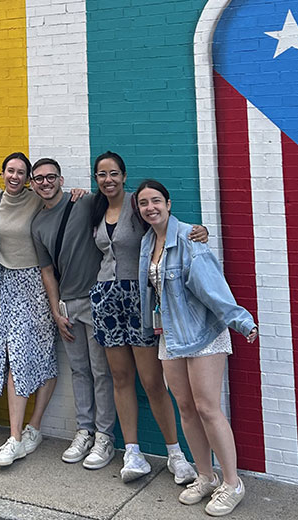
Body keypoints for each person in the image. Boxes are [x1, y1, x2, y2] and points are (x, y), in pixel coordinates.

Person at [136, 179, 257, 517]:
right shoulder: (147, 244)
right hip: (170, 336)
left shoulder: (190, 238)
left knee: (207, 408)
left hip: (203, 334)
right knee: (186, 408)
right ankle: (205, 475)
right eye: (144, 203)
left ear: (169, 203)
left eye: (156, 200)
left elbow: (212, 286)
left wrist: (241, 320)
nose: (150, 208)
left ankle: (232, 483)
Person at [88, 151, 205, 484]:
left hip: (139, 298)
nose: (107, 180)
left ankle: (176, 455)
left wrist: (199, 232)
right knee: (121, 377)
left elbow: (167, 225)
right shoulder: (95, 208)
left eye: (113, 174)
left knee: (153, 381)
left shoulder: (136, 205)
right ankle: (133, 453)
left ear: (124, 176)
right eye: (101, 175)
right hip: (106, 299)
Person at [29, 158, 117, 470]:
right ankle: (84, 430)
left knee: (101, 370)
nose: (45, 182)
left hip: (96, 300)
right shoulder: (37, 224)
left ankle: (105, 437)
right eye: (38, 178)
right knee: (79, 370)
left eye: (50, 176)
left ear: (61, 179)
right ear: (32, 183)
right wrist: (56, 309)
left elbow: (125, 206)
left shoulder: (85, 202)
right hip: (68, 305)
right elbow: (47, 271)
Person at [0, 152, 58, 467]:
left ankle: (32, 427)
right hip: (3, 283)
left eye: (21, 172)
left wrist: (80, 194)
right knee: (13, 355)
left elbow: (65, 207)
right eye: (10, 170)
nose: (15, 176)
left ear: (28, 178)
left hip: (36, 284)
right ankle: (14, 437)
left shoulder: (37, 200)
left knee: (42, 354)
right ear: (2, 173)